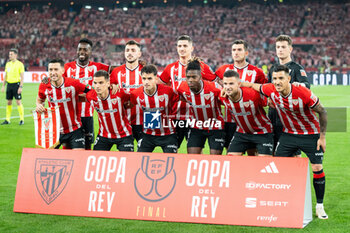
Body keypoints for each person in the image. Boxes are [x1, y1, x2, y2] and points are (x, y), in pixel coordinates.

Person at [242, 64, 328, 220]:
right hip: (288, 135)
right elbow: (254, 86)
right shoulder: (271, 89)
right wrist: (239, 83)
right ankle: (284, 201)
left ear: (289, 79)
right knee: (278, 166)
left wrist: (322, 137)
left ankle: (319, 206)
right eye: (274, 78)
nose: (277, 82)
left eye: (281, 78)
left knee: (317, 167)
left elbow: (322, 111)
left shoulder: (303, 93)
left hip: (311, 134)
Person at [159, 35, 217, 148]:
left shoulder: (202, 67)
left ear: (192, 48)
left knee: (194, 150)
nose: (182, 48)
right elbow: (159, 85)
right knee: (172, 149)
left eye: (185, 46)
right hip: (175, 116)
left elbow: (216, 83)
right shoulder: (170, 68)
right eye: (179, 46)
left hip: (195, 117)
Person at [215, 40, 267, 151]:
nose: (236, 52)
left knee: (252, 155)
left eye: (239, 50)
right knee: (231, 154)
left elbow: (264, 91)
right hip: (230, 121)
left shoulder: (257, 72)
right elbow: (214, 84)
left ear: (246, 53)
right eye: (234, 50)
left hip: (251, 121)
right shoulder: (223, 69)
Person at [63, 38, 110, 150]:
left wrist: (139, 64)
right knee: (68, 146)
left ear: (90, 52)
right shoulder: (67, 67)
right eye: (80, 49)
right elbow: (56, 80)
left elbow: (115, 70)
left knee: (88, 146)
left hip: (87, 115)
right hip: (71, 116)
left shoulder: (96, 67)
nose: (82, 52)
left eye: (85, 49)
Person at [268, 35, 310, 154]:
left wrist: (298, 85)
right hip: (272, 116)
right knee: (272, 154)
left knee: (293, 154)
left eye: (283, 47)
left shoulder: (297, 68)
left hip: (289, 118)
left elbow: (307, 85)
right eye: (278, 47)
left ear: (290, 49)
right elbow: (267, 88)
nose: (280, 49)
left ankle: (298, 173)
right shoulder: (273, 69)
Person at [36, 58, 91, 150]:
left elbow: (91, 90)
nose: (53, 72)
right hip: (54, 130)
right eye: (50, 70)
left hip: (74, 130)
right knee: (47, 159)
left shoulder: (73, 83)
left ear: (62, 71)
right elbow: (40, 99)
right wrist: (39, 105)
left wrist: (86, 98)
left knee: (79, 158)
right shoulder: (44, 85)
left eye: (56, 69)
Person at [177, 58, 225, 155]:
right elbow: (180, 98)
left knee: (215, 159)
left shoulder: (214, 88)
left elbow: (226, 100)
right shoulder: (182, 88)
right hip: (196, 126)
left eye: (194, 77)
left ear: (200, 77)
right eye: (188, 77)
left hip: (215, 127)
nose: (190, 80)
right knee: (192, 157)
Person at [220, 70, 273, 156]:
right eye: (225, 84)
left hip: (262, 132)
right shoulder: (223, 97)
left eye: (231, 84)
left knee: (265, 163)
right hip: (242, 133)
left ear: (239, 84)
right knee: (231, 159)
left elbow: (271, 102)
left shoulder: (252, 94)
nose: (228, 87)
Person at [130, 64, 178, 153]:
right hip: (147, 135)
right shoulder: (136, 94)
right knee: (139, 160)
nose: (146, 82)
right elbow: (128, 105)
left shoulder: (168, 91)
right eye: (144, 79)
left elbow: (180, 100)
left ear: (156, 79)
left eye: (149, 78)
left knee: (171, 162)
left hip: (168, 134)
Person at [86, 70, 134, 151]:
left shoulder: (119, 93)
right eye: (95, 83)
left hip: (124, 135)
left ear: (108, 83)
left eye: (101, 83)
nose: (97, 86)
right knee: (96, 159)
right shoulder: (90, 96)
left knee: (127, 161)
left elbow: (132, 99)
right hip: (104, 135)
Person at [110, 40, 144, 144]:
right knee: (126, 154)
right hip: (123, 121)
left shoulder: (146, 70)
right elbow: (110, 91)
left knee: (143, 153)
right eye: (127, 50)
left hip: (142, 121)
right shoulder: (116, 72)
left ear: (139, 54)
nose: (129, 53)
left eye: (133, 50)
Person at [1, 48, 25, 125]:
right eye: (9, 54)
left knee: (18, 102)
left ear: (15, 55)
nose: (9, 56)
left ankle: (21, 119)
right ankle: (7, 120)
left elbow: (22, 77)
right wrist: (3, 86)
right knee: (9, 102)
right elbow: (6, 76)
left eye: (11, 54)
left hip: (16, 85)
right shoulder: (8, 64)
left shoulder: (20, 64)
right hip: (9, 85)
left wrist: (20, 87)